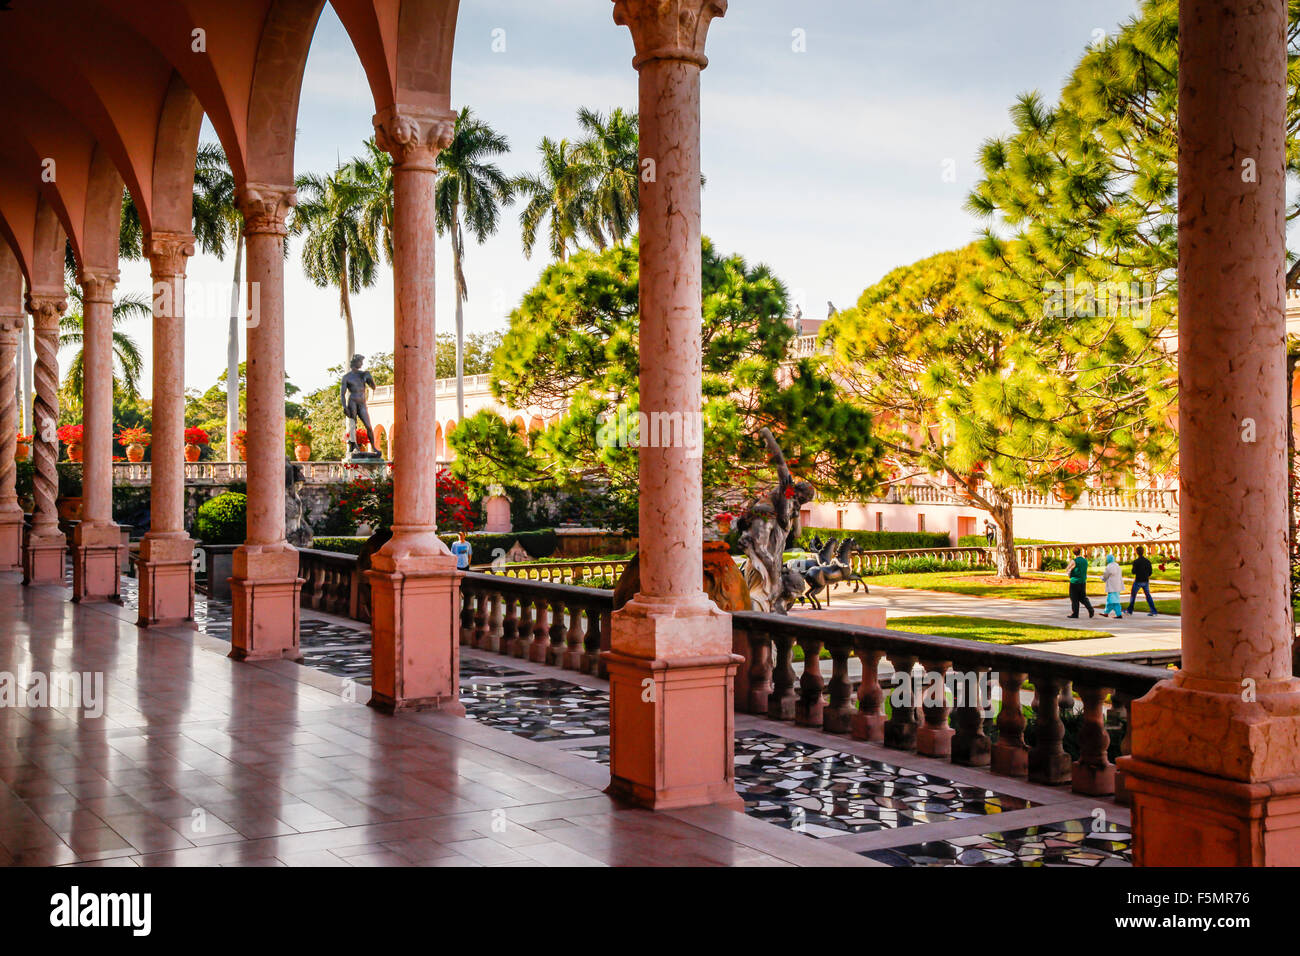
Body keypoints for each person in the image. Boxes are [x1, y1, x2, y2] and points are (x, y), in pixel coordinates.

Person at [1128, 545, 1157, 616]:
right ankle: (1154, 611)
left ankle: (1130, 610)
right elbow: (1150, 572)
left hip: (1138, 581)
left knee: (1133, 595)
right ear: (1143, 552)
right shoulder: (1148, 561)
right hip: (1146, 581)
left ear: (1137, 552)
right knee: (1148, 596)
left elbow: (1133, 572)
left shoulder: (1136, 562)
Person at [1066, 547, 1094, 618]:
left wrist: (1071, 570)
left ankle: (1075, 613)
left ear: (1073, 553)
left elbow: (1067, 568)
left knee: (1074, 598)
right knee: (1083, 597)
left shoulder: (1074, 561)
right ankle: (1090, 609)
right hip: (1083, 581)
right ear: (1080, 552)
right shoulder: (1085, 561)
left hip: (1074, 582)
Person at [1099, 553, 1124, 618]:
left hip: (1112, 586)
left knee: (1113, 601)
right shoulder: (1117, 566)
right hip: (1118, 586)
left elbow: (1105, 576)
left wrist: (1101, 577)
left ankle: (1118, 614)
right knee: (1111, 600)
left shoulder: (1109, 566)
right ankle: (1106, 613)